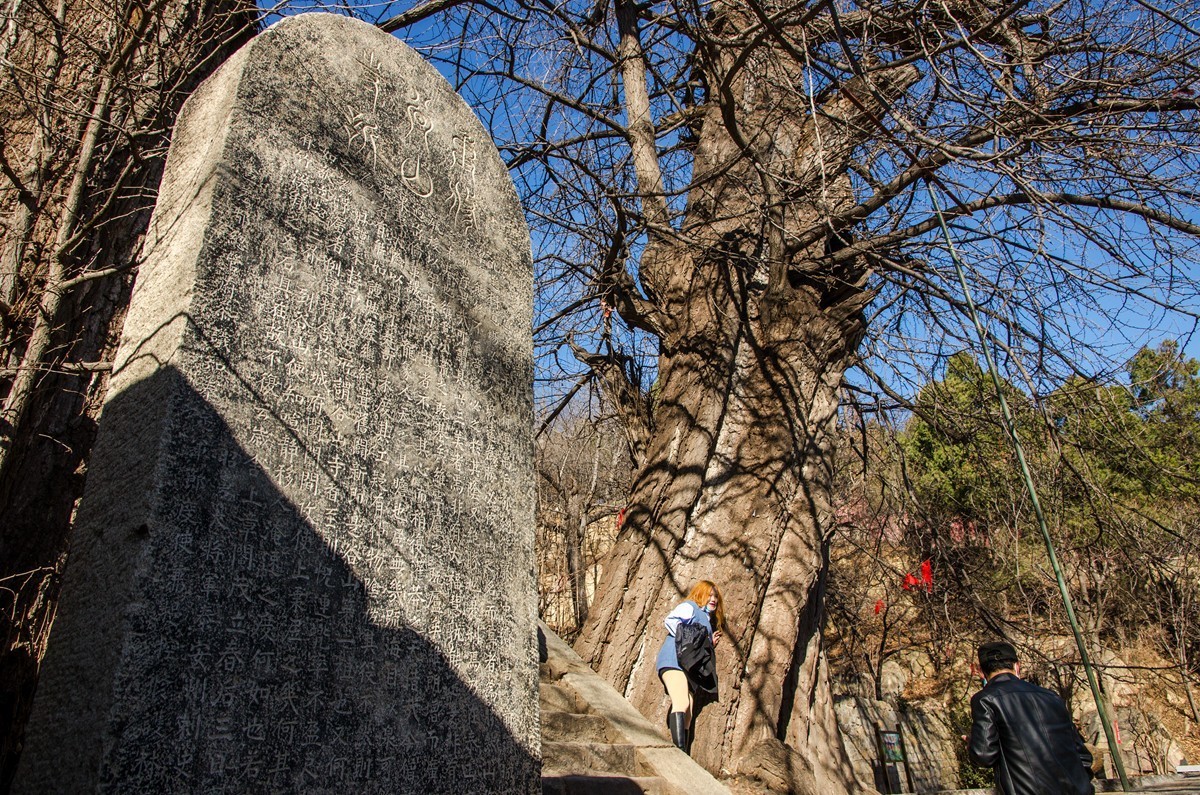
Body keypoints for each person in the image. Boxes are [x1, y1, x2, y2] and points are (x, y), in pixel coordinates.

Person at [968, 640, 1095, 795]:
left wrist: (973, 743)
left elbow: (983, 755)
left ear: (980, 671)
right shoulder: (1052, 697)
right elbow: (1083, 756)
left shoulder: (985, 699)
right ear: (1017, 666)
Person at [654, 580, 724, 753]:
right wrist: (688, 638)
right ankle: (678, 751)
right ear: (701, 594)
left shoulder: (707, 621)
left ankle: (683, 752)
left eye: (715, 596)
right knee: (682, 702)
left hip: (689, 670)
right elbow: (671, 620)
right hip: (674, 662)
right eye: (709, 595)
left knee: (689, 713)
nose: (713, 599)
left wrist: (708, 644)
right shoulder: (690, 607)